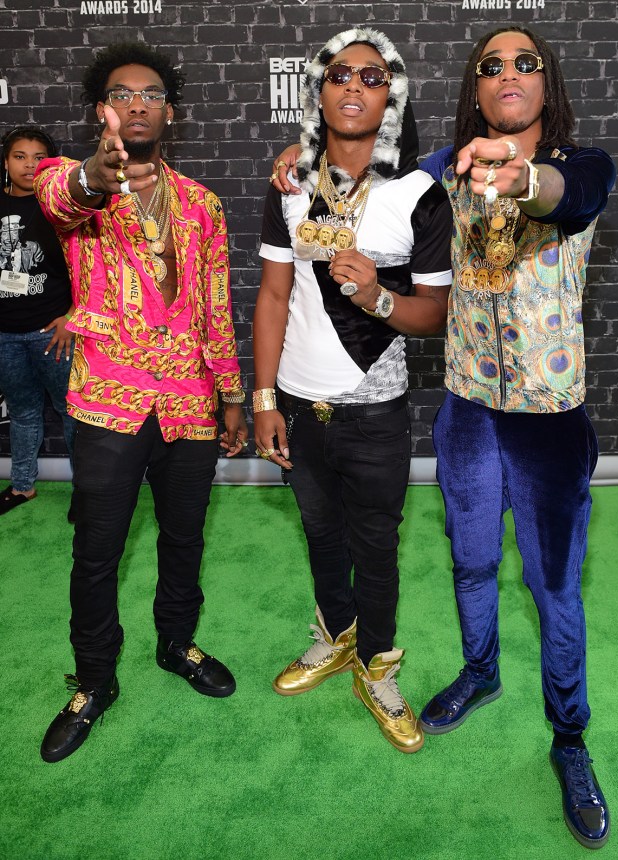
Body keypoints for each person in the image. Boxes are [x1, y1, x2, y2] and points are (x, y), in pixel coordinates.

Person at [272, 24, 615, 850]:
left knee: (554, 588)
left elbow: (558, 193)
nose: (507, 73)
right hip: (464, 409)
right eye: (490, 64)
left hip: (547, 420)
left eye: (525, 62)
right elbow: (356, 160)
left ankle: (570, 740)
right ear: (474, 86)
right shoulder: (441, 172)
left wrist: (522, 175)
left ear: (548, 84)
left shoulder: (583, 165)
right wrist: (301, 150)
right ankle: (481, 673)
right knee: (468, 560)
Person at [34, 42, 248, 764]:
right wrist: (97, 176)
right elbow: (67, 198)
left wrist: (231, 396)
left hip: (188, 403)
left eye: (151, 94)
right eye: (122, 93)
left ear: (170, 112)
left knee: (184, 538)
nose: (137, 103)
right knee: (96, 552)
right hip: (108, 400)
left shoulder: (202, 204)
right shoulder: (73, 181)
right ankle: (94, 680)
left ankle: (176, 644)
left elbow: (216, 304)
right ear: (102, 108)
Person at [254, 27, 452, 754]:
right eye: (340, 73)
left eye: (372, 77)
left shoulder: (421, 194)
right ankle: (335, 638)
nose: (354, 86)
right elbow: (274, 296)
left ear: (392, 96)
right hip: (300, 407)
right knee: (319, 534)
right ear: (319, 91)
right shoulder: (290, 182)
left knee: (377, 546)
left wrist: (377, 298)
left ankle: (378, 669)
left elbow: (437, 311)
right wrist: (266, 399)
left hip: (374, 409)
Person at [0, 126, 76, 516]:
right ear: (6, 161)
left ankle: (88, 492)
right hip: (5, 336)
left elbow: (87, 269)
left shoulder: (60, 207)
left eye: (37, 157)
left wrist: (71, 317)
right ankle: (23, 485)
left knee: (71, 411)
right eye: (19, 156)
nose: (29, 165)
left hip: (53, 332)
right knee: (23, 410)